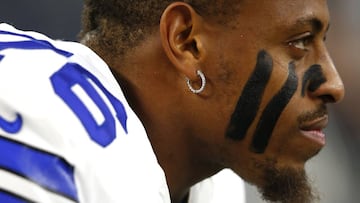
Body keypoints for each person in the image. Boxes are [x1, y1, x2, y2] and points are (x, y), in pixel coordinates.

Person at [0, 0, 345, 202]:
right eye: (300, 42)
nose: (334, 84)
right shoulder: (48, 127)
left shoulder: (215, 183)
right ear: (187, 43)